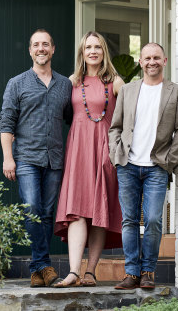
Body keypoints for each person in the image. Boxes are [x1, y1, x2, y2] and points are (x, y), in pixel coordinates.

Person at [108, 42, 178, 290]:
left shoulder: (177, 93)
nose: (152, 62)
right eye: (147, 58)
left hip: (156, 167)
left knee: (154, 219)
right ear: (140, 62)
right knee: (130, 220)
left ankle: (148, 272)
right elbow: (116, 127)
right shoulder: (128, 90)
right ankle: (131, 273)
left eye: (157, 57)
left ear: (164, 61)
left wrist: (169, 161)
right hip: (128, 165)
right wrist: (116, 154)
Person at [0, 29, 73, 288]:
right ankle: (44, 265)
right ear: (30, 51)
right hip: (26, 158)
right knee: (32, 209)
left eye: (45, 45)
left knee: (48, 213)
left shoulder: (65, 85)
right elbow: (6, 122)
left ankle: (36, 270)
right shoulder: (16, 83)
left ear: (53, 50)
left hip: (54, 159)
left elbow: (74, 120)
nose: (41, 49)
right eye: (36, 45)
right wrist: (8, 158)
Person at [52, 31, 125, 288]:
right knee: (76, 212)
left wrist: (117, 151)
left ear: (104, 51)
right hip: (77, 151)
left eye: (97, 47)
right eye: (88, 47)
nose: (92, 51)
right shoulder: (71, 82)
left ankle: (91, 272)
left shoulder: (116, 82)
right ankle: (73, 271)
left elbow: (131, 118)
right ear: (82, 53)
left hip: (104, 152)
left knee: (98, 212)